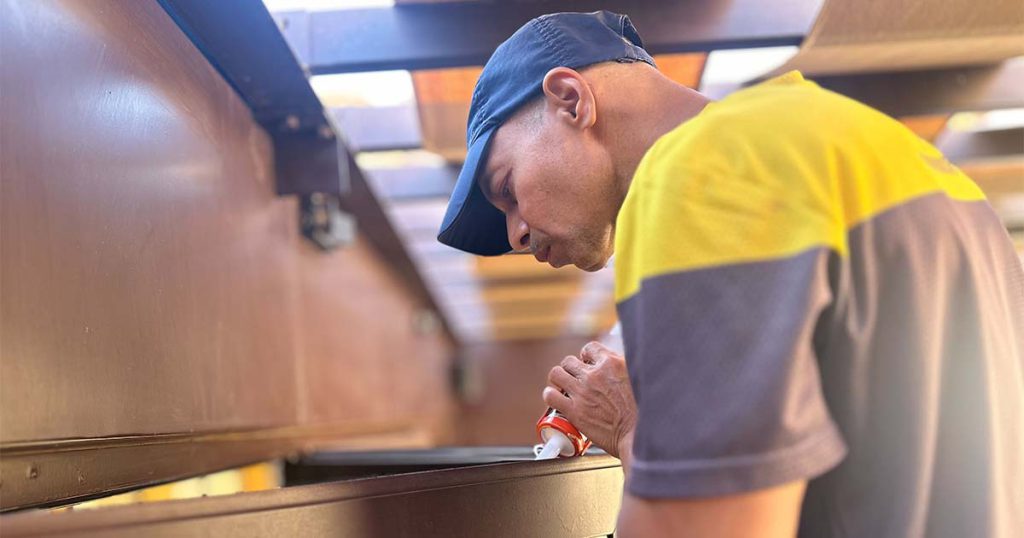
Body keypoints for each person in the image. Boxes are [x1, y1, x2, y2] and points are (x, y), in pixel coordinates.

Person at [436, 11, 1023, 538]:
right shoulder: (899, 158)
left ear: (570, 100)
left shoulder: (705, 174)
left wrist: (636, 431)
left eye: (506, 189)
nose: (515, 234)